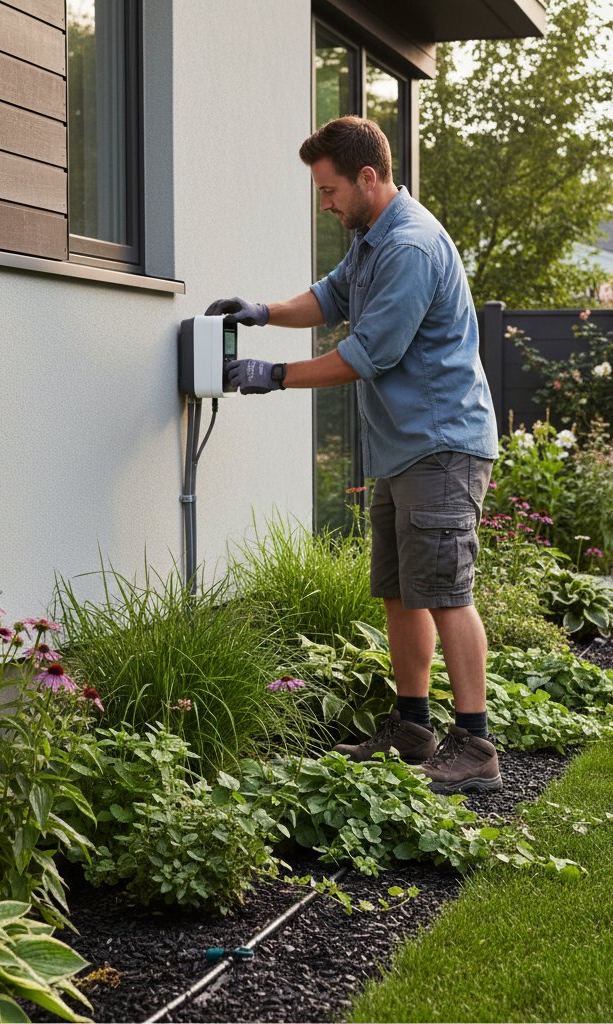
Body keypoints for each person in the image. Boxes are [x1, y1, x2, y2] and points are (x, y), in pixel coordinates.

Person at [205, 116, 500, 794]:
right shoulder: (372, 239)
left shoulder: (412, 247)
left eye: (330, 190)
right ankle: (414, 726)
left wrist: (272, 375)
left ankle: (476, 745)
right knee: (401, 593)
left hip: (441, 444)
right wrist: (261, 312)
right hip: (403, 449)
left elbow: (368, 354)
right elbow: (331, 297)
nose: (326, 203)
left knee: (447, 594)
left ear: (369, 178)